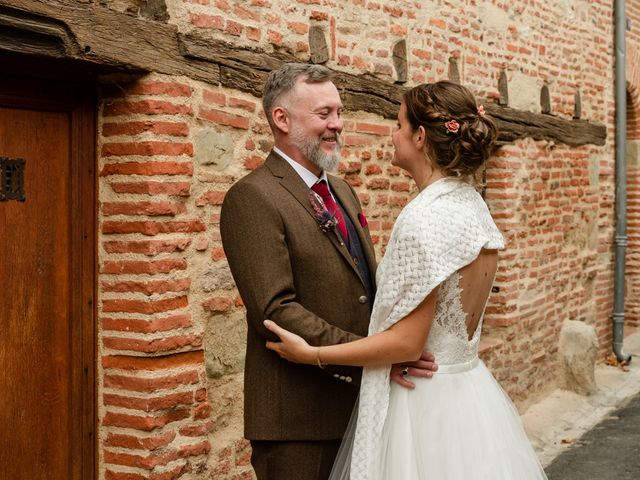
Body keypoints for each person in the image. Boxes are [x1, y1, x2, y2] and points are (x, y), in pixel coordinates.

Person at [264, 81, 549, 480]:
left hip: (423, 404)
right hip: (468, 394)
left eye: (398, 124)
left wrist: (312, 354)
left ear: (419, 136)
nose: (391, 134)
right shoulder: (473, 205)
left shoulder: (423, 218)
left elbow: (407, 342)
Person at [220, 63, 437, 480]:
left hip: (363, 405)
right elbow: (276, 310)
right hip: (299, 421)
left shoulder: (341, 189)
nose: (337, 124)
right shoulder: (252, 197)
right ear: (281, 119)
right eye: (324, 114)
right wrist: (371, 359)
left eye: (339, 112)